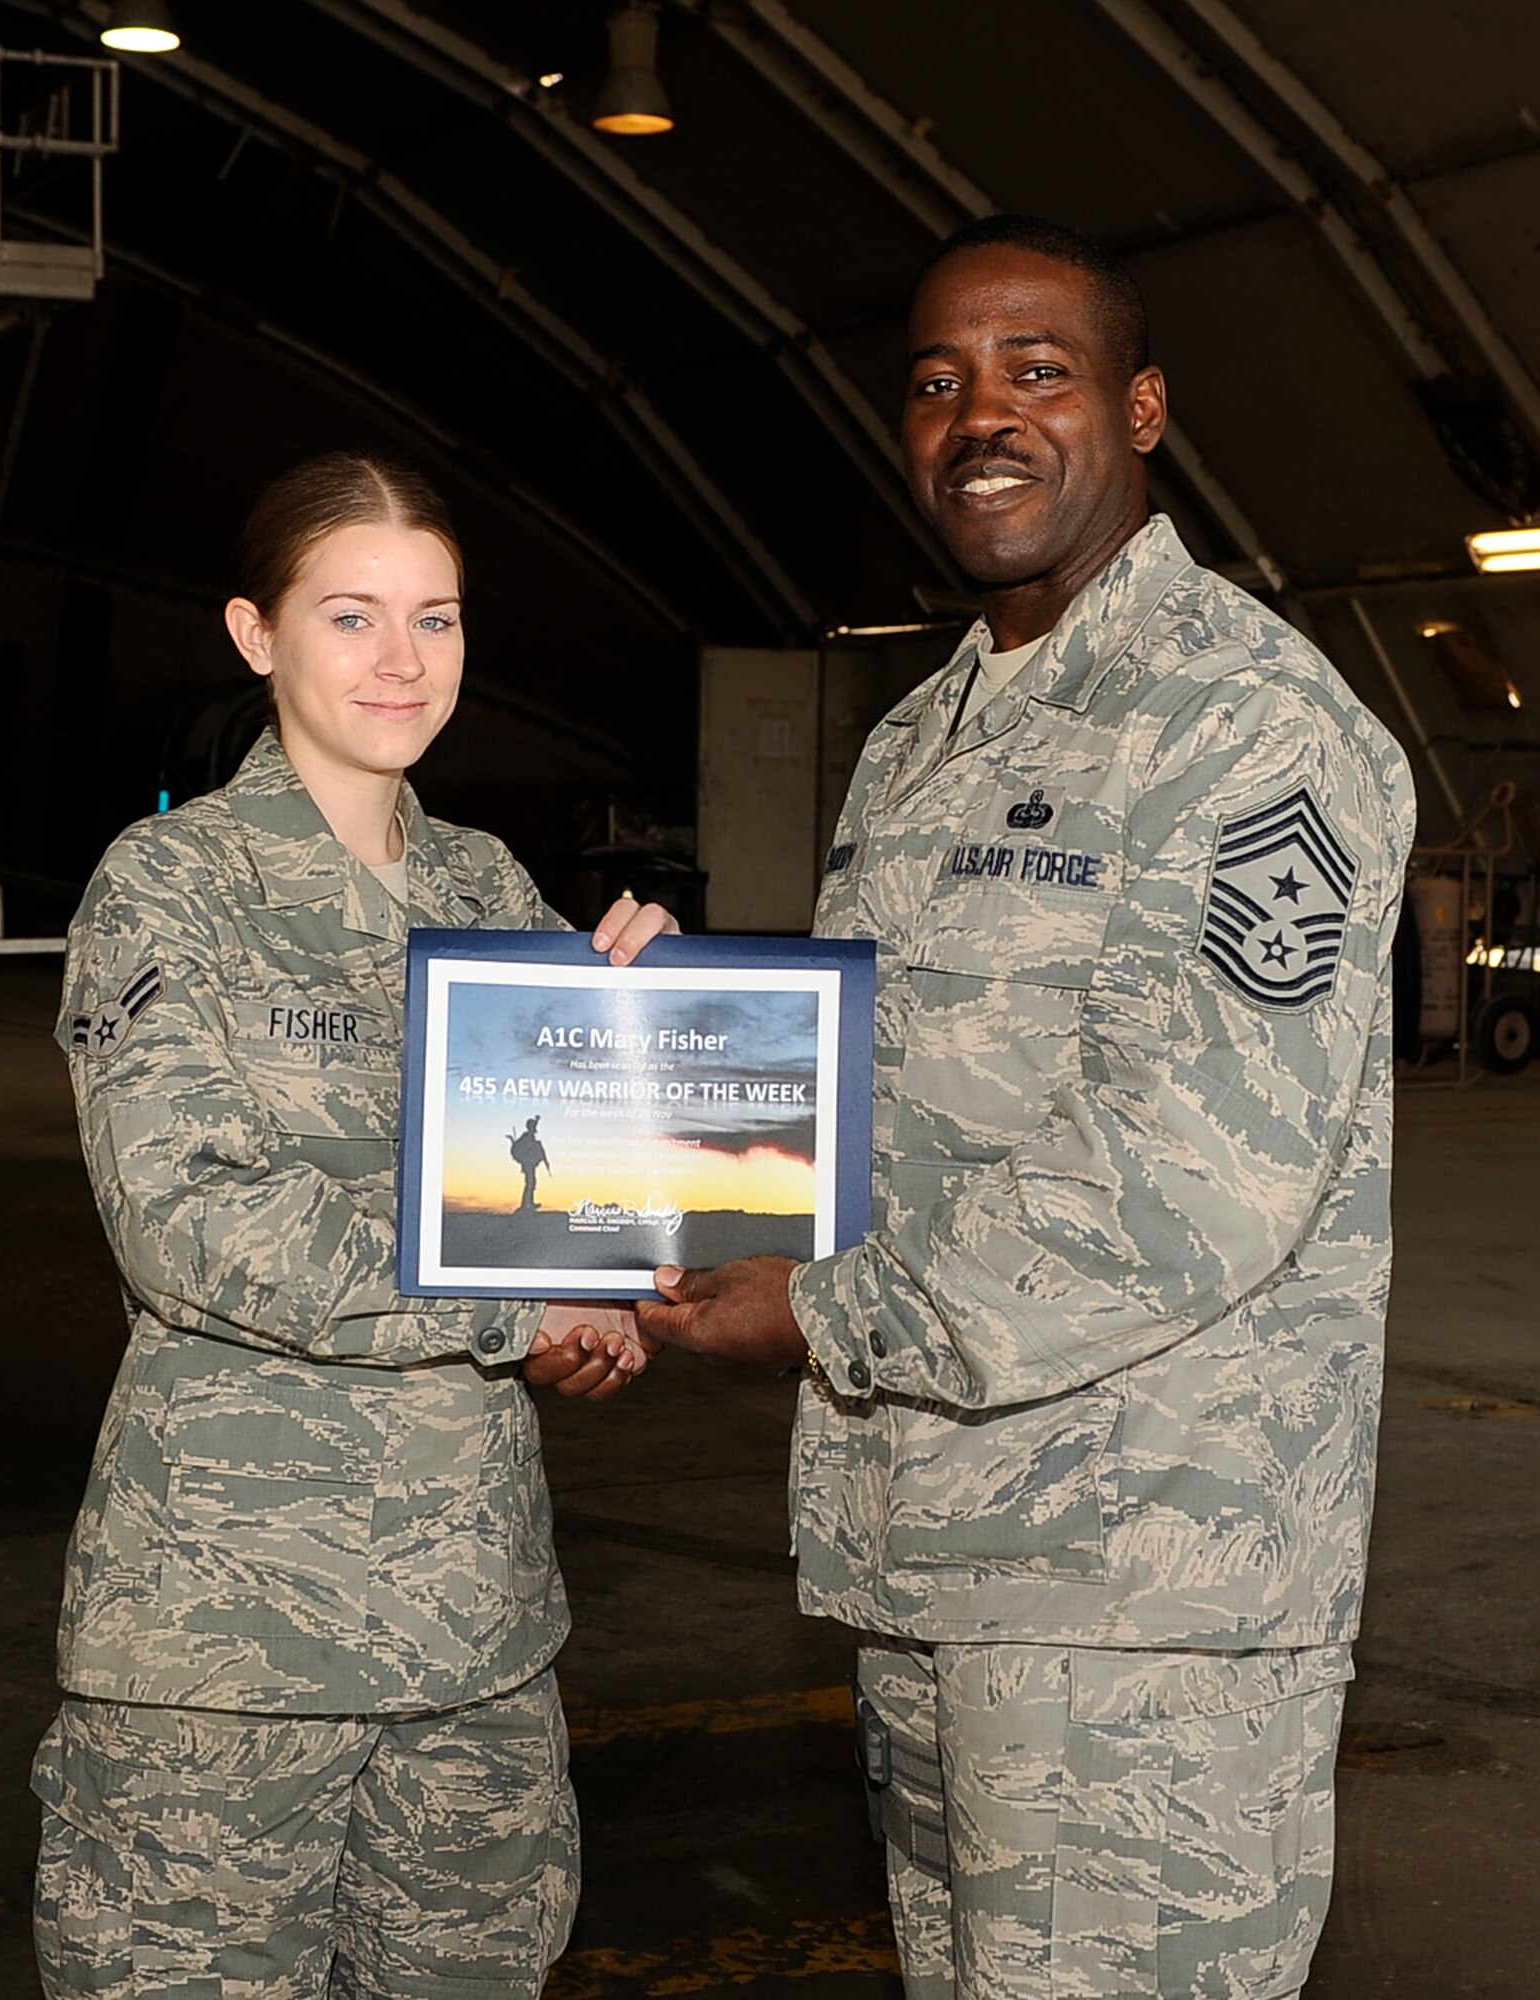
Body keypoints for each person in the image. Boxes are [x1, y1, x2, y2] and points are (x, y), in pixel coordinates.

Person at [638, 214, 1416, 1998]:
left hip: (1137, 1605)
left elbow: (1190, 1176)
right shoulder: (926, 737)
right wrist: (642, 1105)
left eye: (1036, 372)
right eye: (936, 382)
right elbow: (869, 1106)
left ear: (1142, 410)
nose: (980, 414)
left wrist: (812, 1306)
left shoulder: (1243, 725)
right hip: (943, 1567)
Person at [33, 451, 668, 1999]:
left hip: (477, 1646)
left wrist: (647, 1034)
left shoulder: (488, 887)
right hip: (229, 1658)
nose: (402, 662)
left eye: (436, 619)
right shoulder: (168, 887)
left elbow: (582, 1200)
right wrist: (521, 1309)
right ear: (258, 637)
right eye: (353, 616)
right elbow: (189, 1222)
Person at [511, 1115, 550, 1212]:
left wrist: (537, 1120)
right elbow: (522, 1147)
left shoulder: (530, 1136)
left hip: (531, 1164)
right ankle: (526, 1204)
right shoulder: (526, 1136)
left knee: (531, 1183)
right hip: (528, 1164)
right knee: (530, 1183)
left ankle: (529, 1203)